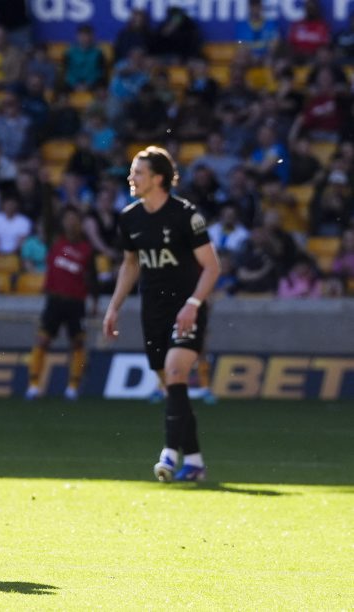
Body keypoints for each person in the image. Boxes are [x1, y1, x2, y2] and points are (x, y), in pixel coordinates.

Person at [103, 146, 220, 483]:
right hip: (152, 310)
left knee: (176, 370)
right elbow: (130, 264)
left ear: (157, 178)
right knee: (172, 388)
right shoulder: (130, 218)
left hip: (186, 309)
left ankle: (169, 454)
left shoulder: (185, 215)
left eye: (138, 172)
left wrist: (193, 304)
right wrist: (114, 306)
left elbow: (212, 267)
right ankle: (194, 462)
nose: (131, 178)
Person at [25, 206, 95, 401]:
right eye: (67, 219)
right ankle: (33, 385)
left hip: (76, 303)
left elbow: (93, 277)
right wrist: (48, 192)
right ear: (62, 222)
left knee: (78, 343)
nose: (71, 223)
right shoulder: (55, 241)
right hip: (54, 300)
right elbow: (48, 218)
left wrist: (95, 302)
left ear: (80, 223)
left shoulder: (87, 249)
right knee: (42, 341)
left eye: (74, 219)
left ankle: (73, 387)